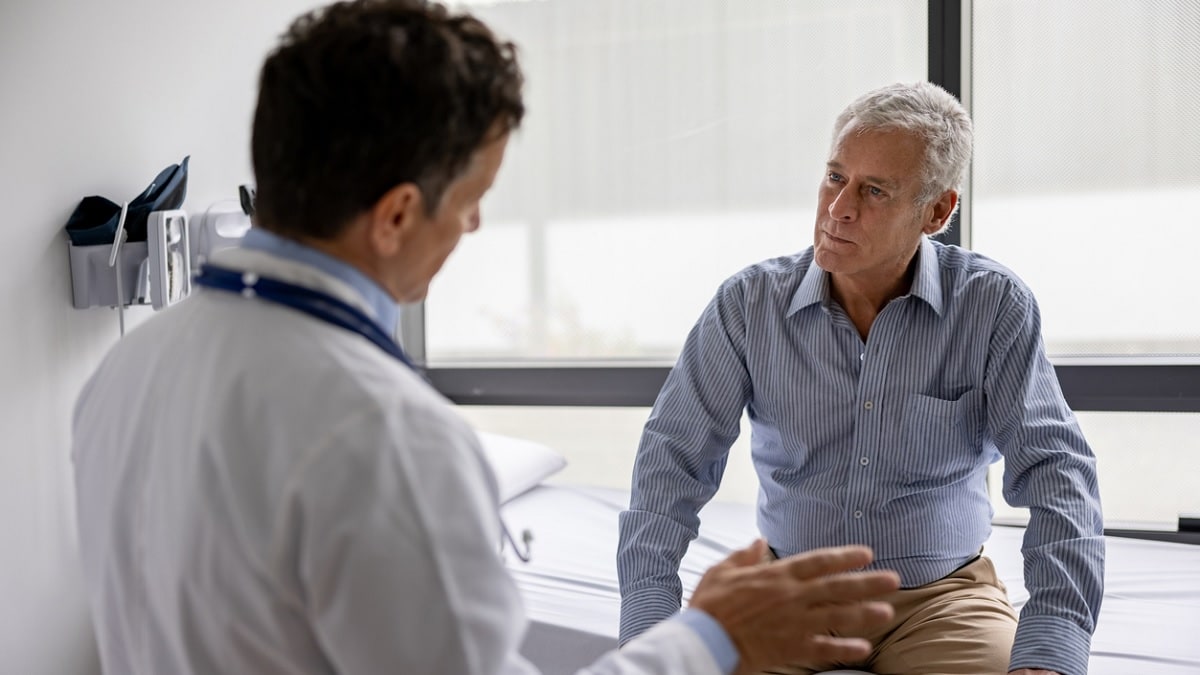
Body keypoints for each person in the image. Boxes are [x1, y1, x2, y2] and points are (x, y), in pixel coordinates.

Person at [70, 2, 902, 674]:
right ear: (397, 213)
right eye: (473, 195)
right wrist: (714, 635)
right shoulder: (385, 433)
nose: (474, 222)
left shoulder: (127, 368)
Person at [616, 81, 1105, 675]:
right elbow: (671, 463)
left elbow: (1056, 471)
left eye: (874, 190)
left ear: (937, 212)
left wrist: (1052, 642)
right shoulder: (747, 305)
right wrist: (649, 623)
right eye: (834, 177)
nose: (839, 207)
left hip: (942, 600)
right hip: (788, 592)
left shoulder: (991, 306)